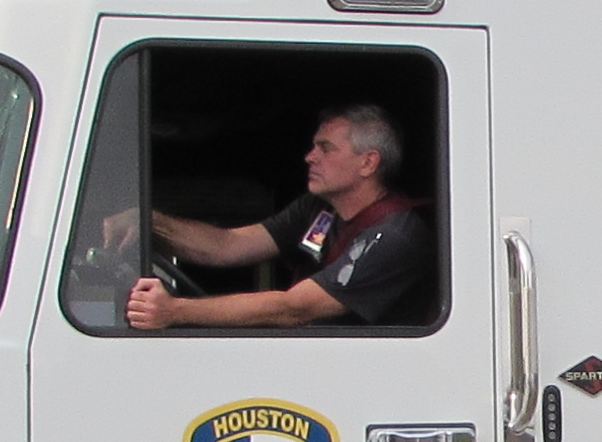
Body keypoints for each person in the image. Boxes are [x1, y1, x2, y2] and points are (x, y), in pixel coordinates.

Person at [121, 104, 432, 328]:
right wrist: (148, 222)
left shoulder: (395, 235)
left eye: (325, 149)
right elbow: (229, 245)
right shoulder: (317, 208)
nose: (309, 157)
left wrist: (174, 311)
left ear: (368, 163)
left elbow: (294, 308)